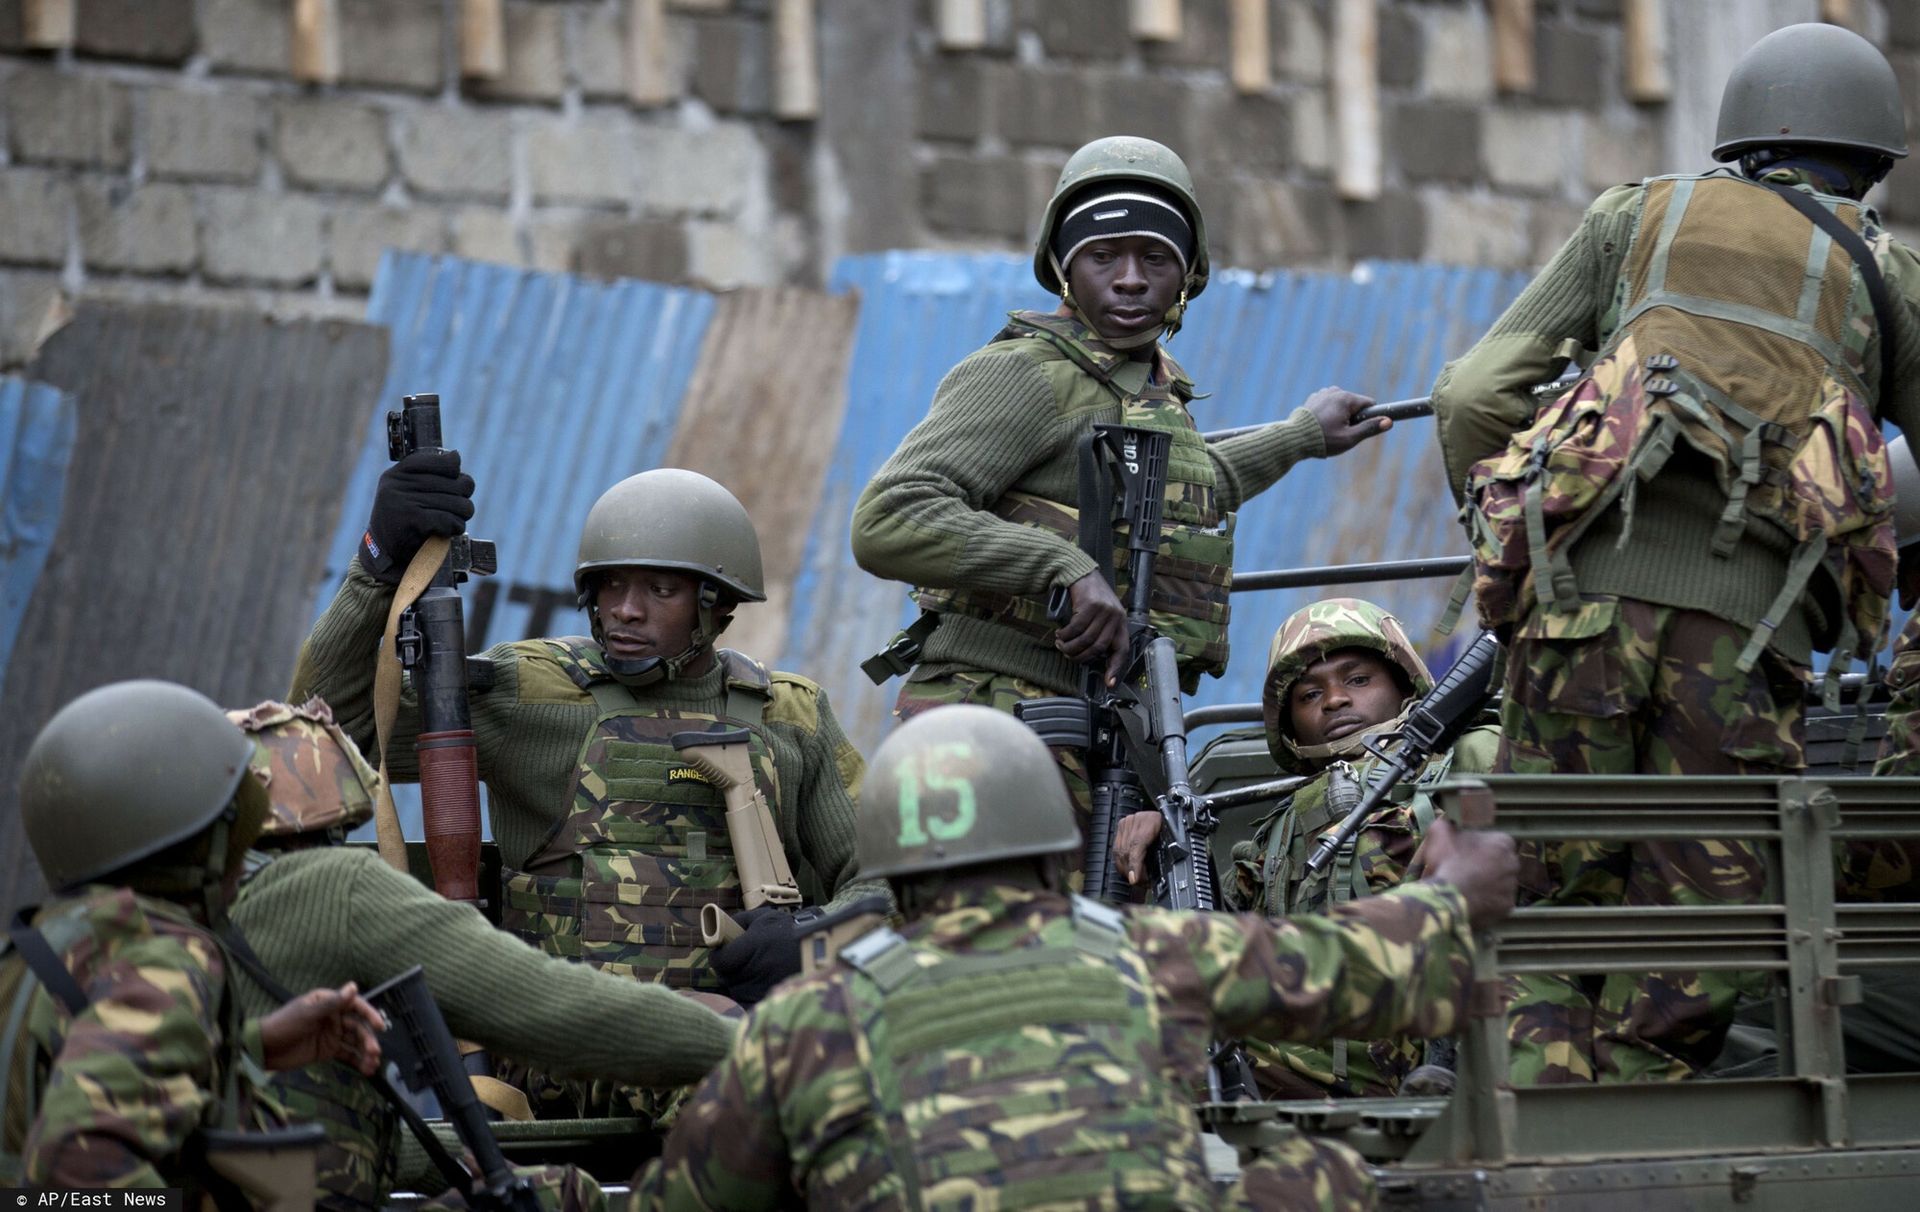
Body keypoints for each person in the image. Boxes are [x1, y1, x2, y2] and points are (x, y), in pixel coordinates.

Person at [1430, 22, 1920, 1085]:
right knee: (1702, 930)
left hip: (1574, 616)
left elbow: (1470, 394)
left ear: (1738, 138)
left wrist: (1508, 542)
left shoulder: (1635, 217)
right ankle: (1639, 1135)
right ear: (1876, 161)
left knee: (1549, 899)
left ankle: (1536, 1119)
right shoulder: (1887, 274)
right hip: (1747, 642)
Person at [633, 704, 1520, 1211]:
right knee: (1316, 1174)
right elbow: (1363, 964)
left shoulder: (804, 1024)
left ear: (890, 877)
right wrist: (1449, 892)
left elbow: (681, 1203)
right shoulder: (1146, 955)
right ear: (1058, 853)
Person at [850, 135, 1389, 887]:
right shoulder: (1024, 374)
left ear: (1187, 277)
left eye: (1155, 259)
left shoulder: (1144, 389)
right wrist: (1060, 565)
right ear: (1066, 268)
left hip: (1100, 721)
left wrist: (1300, 437)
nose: (1131, 280)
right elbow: (889, 517)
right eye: (1105, 255)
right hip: (996, 721)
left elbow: (1177, 501)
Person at [293, 467, 880, 1008]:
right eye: (612, 586)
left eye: (660, 590)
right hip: (563, 1061)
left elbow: (885, 875)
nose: (625, 610)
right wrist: (376, 568)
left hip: (737, 1056)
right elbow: (320, 738)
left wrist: (812, 939)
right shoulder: (530, 693)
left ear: (716, 604)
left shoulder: (789, 717)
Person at [221, 698, 738, 1209]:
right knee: (569, 1197)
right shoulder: (330, 888)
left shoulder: (164, 923)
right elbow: (549, 1007)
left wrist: (443, 1160)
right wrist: (756, 1045)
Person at [2, 680, 385, 1196]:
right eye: (237, 829)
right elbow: (75, 1174)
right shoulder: (162, 962)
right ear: (202, 848)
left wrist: (254, 1044)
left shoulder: (41, 951)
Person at [1203, 599, 1500, 1099]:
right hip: (1321, 1050)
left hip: (1442, 1044)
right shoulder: (1279, 823)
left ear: (1404, 686)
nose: (1335, 701)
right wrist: (1163, 838)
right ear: (1289, 722)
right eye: (1309, 694)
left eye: (1358, 680)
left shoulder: (1472, 753)